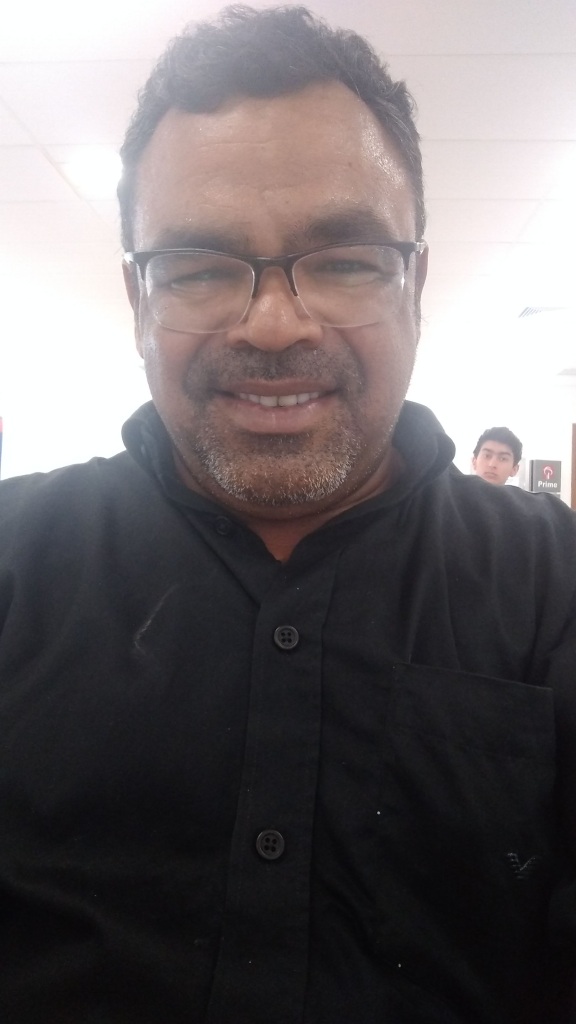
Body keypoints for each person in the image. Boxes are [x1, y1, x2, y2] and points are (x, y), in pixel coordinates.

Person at [0, 6, 575, 1023]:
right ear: (139, 298)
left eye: (345, 258)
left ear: (415, 283)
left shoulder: (555, 587)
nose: (272, 325)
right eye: (197, 265)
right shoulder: (13, 560)